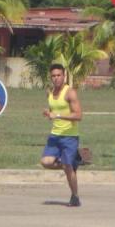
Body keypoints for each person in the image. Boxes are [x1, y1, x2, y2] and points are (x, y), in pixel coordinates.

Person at [40, 63, 82, 207]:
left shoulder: (70, 92)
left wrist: (57, 115)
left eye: (59, 75)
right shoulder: (50, 93)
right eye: (53, 76)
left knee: (67, 166)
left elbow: (78, 115)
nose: (56, 78)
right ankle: (70, 163)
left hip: (70, 136)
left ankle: (75, 196)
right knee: (45, 162)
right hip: (55, 135)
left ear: (64, 76)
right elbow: (53, 112)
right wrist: (49, 114)